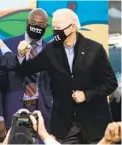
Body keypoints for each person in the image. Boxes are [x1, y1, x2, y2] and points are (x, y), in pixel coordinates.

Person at [15, 8, 118, 143]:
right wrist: (21, 55)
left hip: (94, 125)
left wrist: (87, 95)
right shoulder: (50, 50)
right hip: (65, 127)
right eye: (54, 28)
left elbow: (111, 83)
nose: (56, 32)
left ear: (73, 27)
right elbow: (25, 69)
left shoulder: (95, 49)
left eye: (59, 28)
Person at [0, 8, 52, 141]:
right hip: (14, 111)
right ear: (27, 22)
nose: (36, 26)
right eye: (33, 22)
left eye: (41, 25)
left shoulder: (51, 50)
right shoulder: (8, 45)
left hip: (43, 115)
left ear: (46, 27)